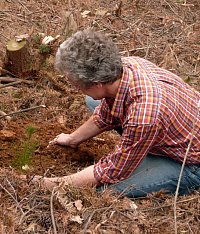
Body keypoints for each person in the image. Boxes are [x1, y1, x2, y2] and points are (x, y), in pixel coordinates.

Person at [38, 29, 200, 198]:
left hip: (190, 162)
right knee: (93, 101)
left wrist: (53, 183)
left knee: (105, 189)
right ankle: (143, 147)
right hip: (174, 124)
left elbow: (112, 170)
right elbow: (104, 115)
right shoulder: (126, 66)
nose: (75, 88)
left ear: (97, 83)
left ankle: (176, 173)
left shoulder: (143, 116)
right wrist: (73, 139)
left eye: (76, 85)